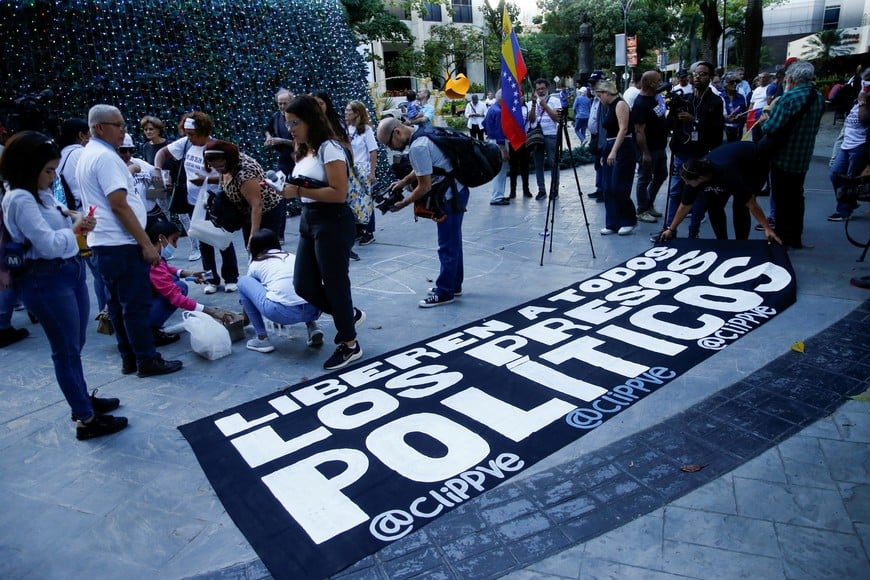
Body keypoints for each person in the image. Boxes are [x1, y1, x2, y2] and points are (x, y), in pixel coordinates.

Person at [1, 131, 128, 439]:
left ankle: (82, 400)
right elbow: (48, 245)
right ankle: (86, 419)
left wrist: (76, 219)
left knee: (75, 347)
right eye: (47, 170)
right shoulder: (19, 198)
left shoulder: (40, 192)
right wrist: (75, 228)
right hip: (45, 278)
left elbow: (62, 216)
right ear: (28, 168)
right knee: (66, 351)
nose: (53, 175)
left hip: (68, 272)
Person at [76, 105, 183, 378]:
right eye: (118, 125)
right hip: (120, 244)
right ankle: (146, 359)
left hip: (106, 243)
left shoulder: (89, 154)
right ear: (99, 127)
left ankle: (130, 357)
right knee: (134, 305)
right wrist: (146, 244)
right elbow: (119, 205)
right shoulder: (105, 158)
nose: (124, 132)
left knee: (117, 305)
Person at [280, 94, 365, 370]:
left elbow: (339, 194)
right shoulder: (304, 149)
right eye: (288, 123)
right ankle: (348, 315)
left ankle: (349, 344)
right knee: (303, 284)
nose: (290, 128)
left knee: (336, 283)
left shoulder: (330, 147)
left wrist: (298, 190)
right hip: (310, 219)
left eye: (295, 122)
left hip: (333, 220)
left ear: (310, 120)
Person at [377, 116, 470, 308]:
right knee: (453, 241)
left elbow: (424, 186)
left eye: (389, 144)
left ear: (397, 132)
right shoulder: (422, 134)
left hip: (449, 196)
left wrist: (403, 203)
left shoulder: (417, 147)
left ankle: (445, 292)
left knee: (446, 245)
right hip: (457, 191)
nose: (391, 148)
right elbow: (425, 168)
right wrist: (403, 182)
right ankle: (454, 284)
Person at [154, 112, 239, 292]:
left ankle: (231, 277)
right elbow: (162, 153)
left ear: (202, 131)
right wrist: (157, 171)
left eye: (191, 134)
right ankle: (211, 279)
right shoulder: (185, 144)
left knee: (222, 238)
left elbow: (230, 174)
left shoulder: (216, 147)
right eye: (186, 133)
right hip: (194, 202)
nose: (188, 137)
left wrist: (207, 181)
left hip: (215, 200)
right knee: (203, 239)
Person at [656, 142, 780, 244]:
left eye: (688, 182)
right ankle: (722, 242)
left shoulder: (726, 175)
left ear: (700, 179)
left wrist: (767, 228)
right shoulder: (693, 177)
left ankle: (742, 243)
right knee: (713, 205)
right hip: (731, 159)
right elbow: (684, 206)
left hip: (754, 162)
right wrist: (671, 229)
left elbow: (751, 204)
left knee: (740, 205)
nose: (687, 185)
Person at [760, 60, 825, 249]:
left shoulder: (787, 98)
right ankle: (795, 237)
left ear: (791, 78)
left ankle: (780, 237)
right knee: (797, 197)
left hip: (783, 156)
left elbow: (770, 128)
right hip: (803, 157)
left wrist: (766, 119)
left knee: (780, 198)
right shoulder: (818, 97)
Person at [658, 60, 724, 241]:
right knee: (674, 192)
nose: (697, 77)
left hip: (702, 155)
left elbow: (717, 130)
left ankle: (693, 232)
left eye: (702, 74)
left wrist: (695, 121)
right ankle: (668, 229)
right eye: (695, 73)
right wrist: (673, 112)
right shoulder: (686, 99)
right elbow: (669, 125)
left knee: (698, 194)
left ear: (710, 77)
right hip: (682, 152)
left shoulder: (715, 101)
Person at [144, 220, 230, 344]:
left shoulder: (150, 253)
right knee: (178, 288)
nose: (176, 245)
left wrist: (189, 273)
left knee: (177, 282)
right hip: (139, 313)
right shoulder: (153, 263)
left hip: (138, 304)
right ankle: (150, 331)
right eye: (174, 240)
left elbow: (166, 268)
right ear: (161, 238)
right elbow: (176, 298)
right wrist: (212, 312)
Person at [239, 228, 323, 353]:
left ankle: (262, 338)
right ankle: (312, 327)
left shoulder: (256, 264)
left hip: (282, 313)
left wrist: (245, 319)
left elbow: (249, 293)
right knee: (299, 287)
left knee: (243, 282)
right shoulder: (292, 256)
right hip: (315, 309)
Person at [57, 118, 108, 315]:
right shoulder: (81, 153)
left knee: (96, 272)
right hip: (88, 218)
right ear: (81, 135)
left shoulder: (61, 156)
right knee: (103, 272)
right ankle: (109, 313)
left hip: (72, 219)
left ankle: (107, 313)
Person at [201, 139, 285, 247]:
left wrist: (253, 236)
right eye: (214, 167)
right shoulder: (227, 163)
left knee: (263, 248)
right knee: (251, 249)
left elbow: (257, 205)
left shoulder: (245, 173)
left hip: (266, 211)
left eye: (221, 167)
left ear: (228, 159)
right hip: (246, 213)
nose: (218, 171)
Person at [595, 80, 637, 235]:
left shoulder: (620, 104)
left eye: (600, 96)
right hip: (610, 145)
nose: (600, 99)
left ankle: (628, 220)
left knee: (619, 186)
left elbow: (623, 128)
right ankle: (612, 222)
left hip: (622, 146)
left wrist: (613, 151)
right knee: (607, 187)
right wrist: (605, 153)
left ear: (606, 93)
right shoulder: (609, 107)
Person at [828, 69, 870, 222]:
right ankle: (850, 202)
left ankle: (844, 211)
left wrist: (863, 101)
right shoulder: (857, 96)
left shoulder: (864, 101)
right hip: (847, 144)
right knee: (835, 174)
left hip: (859, 145)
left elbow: (864, 119)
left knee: (850, 179)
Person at [632, 70, 667, 223]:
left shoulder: (654, 99)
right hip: (649, 149)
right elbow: (639, 131)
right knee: (644, 178)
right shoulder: (641, 103)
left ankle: (649, 203)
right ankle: (641, 209)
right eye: (658, 80)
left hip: (660, 147)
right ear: (651, 83)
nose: (661, 83)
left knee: (661, 175)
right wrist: (645, 153)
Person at [344, 100, 379, 245]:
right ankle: (358, 229)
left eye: (349, 111)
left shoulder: (366, 130)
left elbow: (373, 150)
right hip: (350, 169)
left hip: (362, 168)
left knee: (365, 199)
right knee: (352, 201)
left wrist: (372, 172)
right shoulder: (346, 129)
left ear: (357, 113)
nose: (346, 113)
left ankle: (368, 231)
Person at [263, 89, 294, 241]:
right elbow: (267, 129)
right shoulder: (276, 117)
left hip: (298, 160)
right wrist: (269, 137)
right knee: (279, 194)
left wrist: (281, 141)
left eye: (284, 103)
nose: (282, 106)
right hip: (284, 160)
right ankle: (279, 234)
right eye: (279, 103)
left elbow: (302, 142)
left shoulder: (297, 118)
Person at [528, 78, 563, 200]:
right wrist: (533, 104)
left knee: (553, 163)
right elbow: (531, 119)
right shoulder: (533, 102)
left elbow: (557, 118)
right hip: (537, 136)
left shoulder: (555, 101)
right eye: (538, 89)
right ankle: (541, 190)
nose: (541, 91)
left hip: (551, 134)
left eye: (543, 88)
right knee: (538, 164)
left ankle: (554, 190)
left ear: (547, 88)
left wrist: (545, 105)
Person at [482, 90, 511, 205]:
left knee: (498, 170)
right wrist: (504, 150)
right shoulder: (499, 112)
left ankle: (498, 195)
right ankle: (497, 197)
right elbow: (500, 132)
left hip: (492, 140)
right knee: (501, 170)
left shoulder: (492, 109)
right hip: (499, 142)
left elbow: (484, 124)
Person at [508, 96, 532, 198]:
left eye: (521, 96)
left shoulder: (527, 108)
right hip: (513, 141)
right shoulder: (511, 108)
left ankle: (526, 190)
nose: (520, 98)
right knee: (513, 167)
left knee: (524, 167)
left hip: (524, 140)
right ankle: (512, 191)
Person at [722, 72, 748, 142]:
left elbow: (745, 114)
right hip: (723, 131)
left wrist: (740, 116)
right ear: (725, 84)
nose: (735, 84)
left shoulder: (741, 97)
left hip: (737, 130)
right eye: (731, 82)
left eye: (736, 82)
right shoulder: (720, 97)